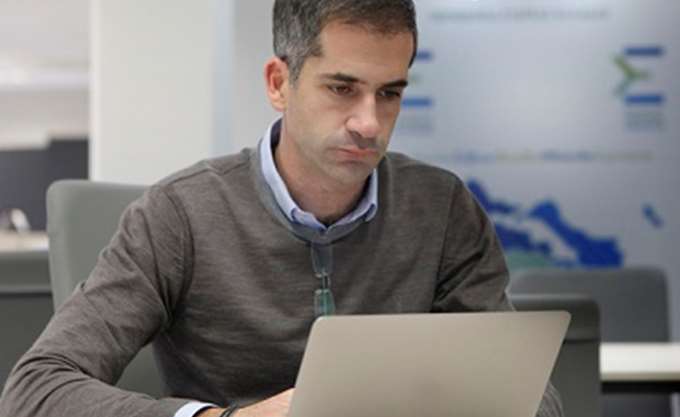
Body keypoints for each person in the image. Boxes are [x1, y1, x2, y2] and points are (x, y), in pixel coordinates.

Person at [0, 1, 564, 417]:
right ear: (278, 82)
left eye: (389, 93)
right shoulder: (178, 216)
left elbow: (532, 393)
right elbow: (36, 390)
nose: (369, 123)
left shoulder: (442, 210)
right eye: (342, 89)